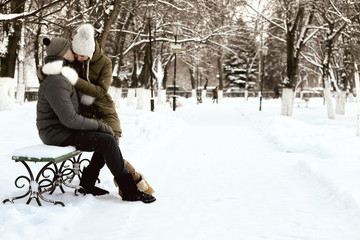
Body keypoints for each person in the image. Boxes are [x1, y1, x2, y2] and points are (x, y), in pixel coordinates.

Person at [36, 37, 155, 203]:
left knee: (106, 139)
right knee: (106, 141)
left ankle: (88, 184)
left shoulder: (63, 74)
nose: (73, 50)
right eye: (69, 48)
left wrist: (103, 126)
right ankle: (129, 190)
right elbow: (69, 119)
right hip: (56, 133)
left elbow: (96, 86)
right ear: (63, 53)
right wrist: (101, 126)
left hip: (62, 129)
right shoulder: (56, 80)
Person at [70, 24, 154, 197]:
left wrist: (76, 81)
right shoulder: (73, 61)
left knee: (112, 139)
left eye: (82, 55)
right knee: (107, 143)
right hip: (83, 113)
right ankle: (130, 184)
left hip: (103, 109)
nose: (78, 58)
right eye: (76, 54)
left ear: (91, 52)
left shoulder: (104, 63)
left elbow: (101, 91)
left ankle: (89, 183)